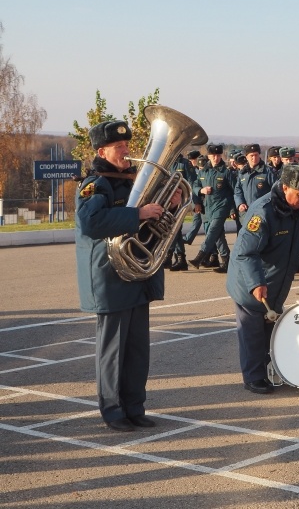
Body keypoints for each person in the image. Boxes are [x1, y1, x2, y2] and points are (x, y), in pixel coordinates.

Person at [75, 120, 181, 432]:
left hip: (137, 275)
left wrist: (167, 206)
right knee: (113, 350)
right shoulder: (96, 184)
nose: (126, 151)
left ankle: (134, 407)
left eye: (126, 146)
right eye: (119, 147)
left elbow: (156, 225)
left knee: (137, 349)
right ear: (102, 151)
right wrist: (138, 213)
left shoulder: (133, 181)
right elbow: (91, 223)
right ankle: (112, 411)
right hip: (110, 277)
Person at [226, 164, 299, 394]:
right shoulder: (263, 211)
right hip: (250, 281)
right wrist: (256, 283)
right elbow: (246, 252)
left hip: (277, 282)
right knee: (253, 331)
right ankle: (254, 377)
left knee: (272, 329)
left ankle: (272, 371)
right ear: (285, 187)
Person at [189, 144, 235, 273]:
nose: (216, 158)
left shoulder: (226, 172)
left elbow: (234, 191)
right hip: (208, 207)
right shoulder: (204, 171)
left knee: (212, 231)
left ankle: (200, 256)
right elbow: (195, 185)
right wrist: (201, 190)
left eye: (218, 155)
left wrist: (232, 209)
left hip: (221, 206)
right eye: (213, 155)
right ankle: (226, 261)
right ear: (209, 156)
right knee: (218, 235)